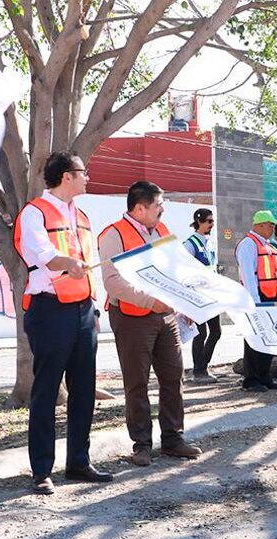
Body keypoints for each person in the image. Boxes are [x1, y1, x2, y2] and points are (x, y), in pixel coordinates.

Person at [14, 151, 112, 495]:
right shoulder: (34, 213)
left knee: (84, 390)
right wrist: (67, 262)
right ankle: (42, 470)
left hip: (83, 310)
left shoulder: (82, 215)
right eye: (83, 172)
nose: (88, 177)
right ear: (66, 177)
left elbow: (91, 261)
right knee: (47, 390)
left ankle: (78, 462)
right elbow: (43, 256)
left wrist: (95, 309)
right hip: (49, 309)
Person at [99, 181, 203, 467]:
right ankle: (141, 445)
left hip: (166, 315)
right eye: (159, 204)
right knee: (137, 382)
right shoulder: (114, 234)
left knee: (173, 377)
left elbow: (177, 271)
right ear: (140, 207)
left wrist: (185, 304)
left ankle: (173, 439)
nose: (163, 209)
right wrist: (149, 302)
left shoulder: (162, 231)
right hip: (132, 316)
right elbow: (113, 283)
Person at [235, 210, 277, 392]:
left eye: (273, 225)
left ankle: (264, 376)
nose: (272, 228)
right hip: (256, 299)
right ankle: (251, 380)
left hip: (270, 297)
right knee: (254, 339)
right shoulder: (248, 244)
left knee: (269, 338)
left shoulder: (267, 245)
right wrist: (255, 302)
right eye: (270, 225)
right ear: (260, 225)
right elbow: (248, 275)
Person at [183, 208, 221, 384]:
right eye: (209, 221)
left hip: (211, 296)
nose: (212, 224)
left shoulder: (209, 243)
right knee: (201, 333)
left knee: (216, 332)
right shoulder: (190, 244)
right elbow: (184, 274)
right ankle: (199, 371)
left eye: (212, 221)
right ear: (199, 221)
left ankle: (202, 366)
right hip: (197, 297)